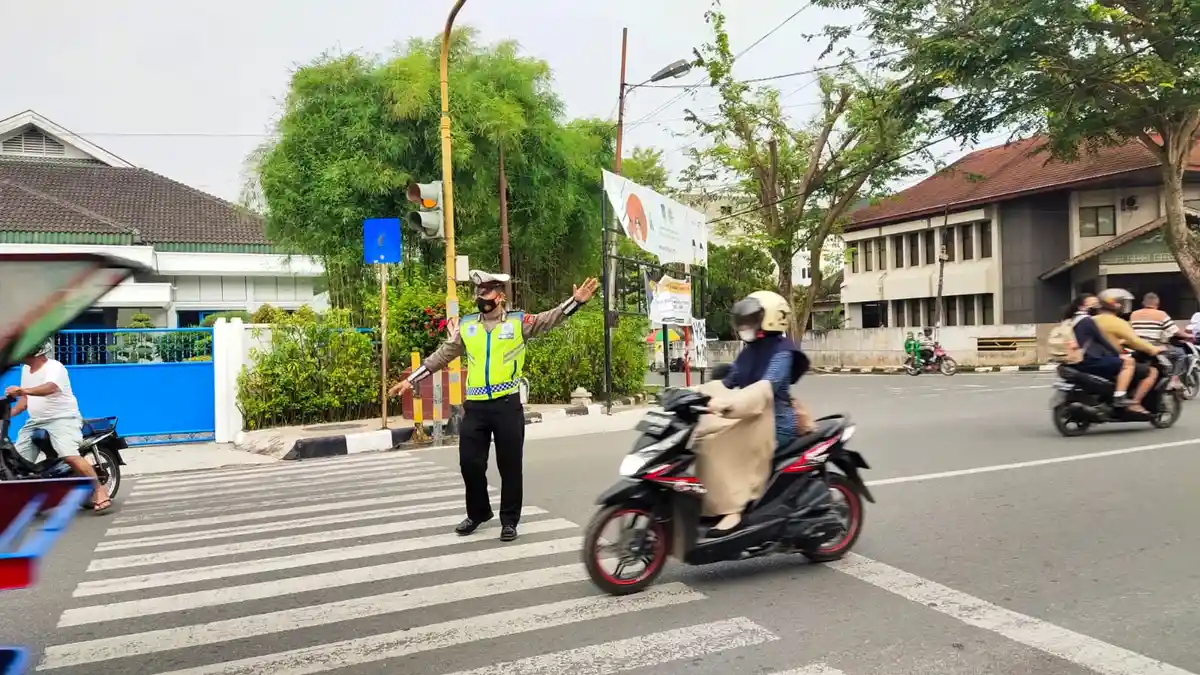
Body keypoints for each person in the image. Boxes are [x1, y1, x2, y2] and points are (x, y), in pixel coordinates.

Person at [388, 270, 599, 542]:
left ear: (499, 295)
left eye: (485, 292)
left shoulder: (518, 322)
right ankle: (478, 513)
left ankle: (509, 521)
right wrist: (412, 379)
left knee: (510, 466)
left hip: (507, 404)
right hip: (475, 407)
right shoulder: (467, 326)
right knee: (469, 464)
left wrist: (576, 302)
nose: (480, 297)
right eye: (478, 292)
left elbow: (549, 319)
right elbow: (442, 355)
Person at [706, 290, 808, 536]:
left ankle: (734, 510)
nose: (744, 326)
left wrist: (728, 404)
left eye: (751, 319)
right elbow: (729, 381)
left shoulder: (782, 351)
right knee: (704, 436)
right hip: (752, 415)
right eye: (743, 320)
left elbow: (767, 386)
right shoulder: (750, 351)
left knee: (729, 445)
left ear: (770, 319)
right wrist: (693, 394)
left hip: (777, 421)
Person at [4, 340, 112, 513]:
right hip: (35, 421)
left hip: (62, 419)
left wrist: (23, 391)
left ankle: (99, 489)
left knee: (68, 455)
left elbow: (50, 388)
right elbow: (24, 402)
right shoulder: (25, 370)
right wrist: (6, 414)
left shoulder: (55, 367)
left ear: (36, 351)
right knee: (16, 462)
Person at [1092, 288, 1165, 413]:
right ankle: (1135, 403)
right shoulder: (1118, 322)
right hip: (1112, 360)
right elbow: (1135, 341)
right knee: (1151, 372)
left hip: (1092, 359)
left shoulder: (1090, 320)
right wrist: (1154, 349)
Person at [1130, 292, 1183, 389]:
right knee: (1180, 354)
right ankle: (1174, 380)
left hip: (1137, 348)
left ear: (1143, 303)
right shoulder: (1161, 314)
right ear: (1157, 303)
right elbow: (1176, 332)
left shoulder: (1134, 314)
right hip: (1155, 347)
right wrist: (1188, 335)